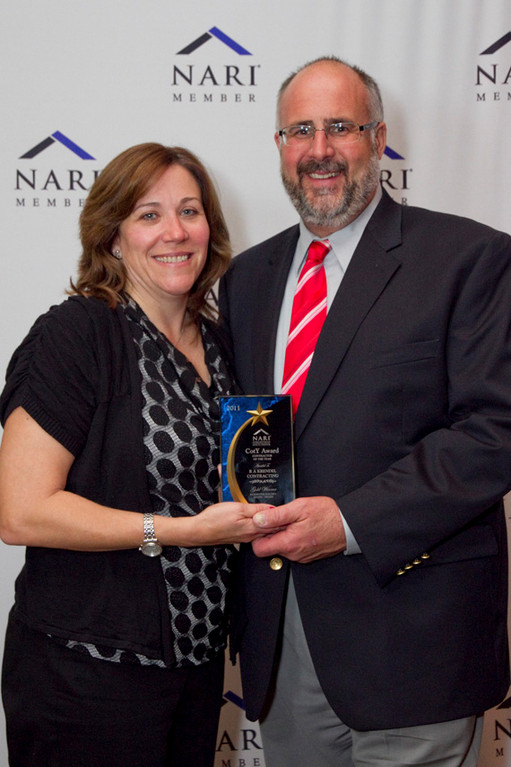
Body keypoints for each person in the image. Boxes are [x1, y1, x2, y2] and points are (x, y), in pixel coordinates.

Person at [219, 56, 511, 767]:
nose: (318, 149)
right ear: (280, 146)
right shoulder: (246, 278)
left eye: (340, 127)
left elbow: (493, 431)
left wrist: (348, 523)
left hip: (413, 643)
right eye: (299, 130)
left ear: (378, 139)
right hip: (281, 645)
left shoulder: (468, 257)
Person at [0, 142, 279, 767]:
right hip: (88, 673)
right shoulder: (77, 334)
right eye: (149, 215)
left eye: (190, 211)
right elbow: (20, 511)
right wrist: (182, 531)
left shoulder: (222, 341)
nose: (175, 232)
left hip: (196, 668)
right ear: (113, 237)